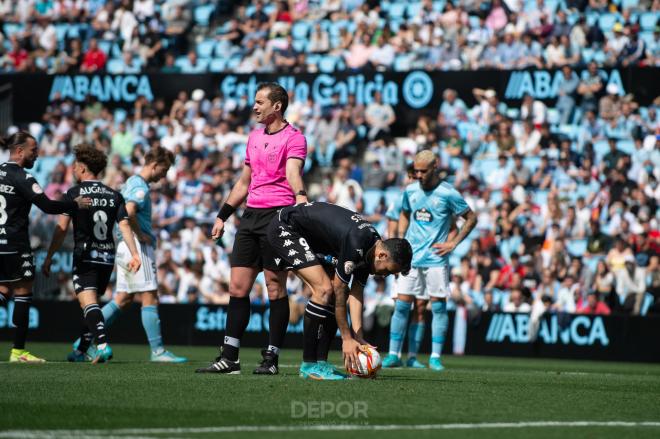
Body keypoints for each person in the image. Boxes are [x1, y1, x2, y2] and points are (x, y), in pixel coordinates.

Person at [196, 82, 307, 375]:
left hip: (278, 216)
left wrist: (301, 198)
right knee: (237, 287)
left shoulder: (295, 138)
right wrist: (223, 215)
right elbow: (244, 182)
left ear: (277, 106)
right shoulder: (254, 136)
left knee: (274, 287)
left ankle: (271, 358)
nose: (254, 106)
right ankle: (230, 357)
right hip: (250, 216)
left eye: (260, 102)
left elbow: (293, 172)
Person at [266, 201, 412, 380]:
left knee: (334, 295)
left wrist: (357, 337)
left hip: (311, 238)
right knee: (325, 290)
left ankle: (321, 363)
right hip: (285, 227)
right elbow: (341, 288)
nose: (386, 276)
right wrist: (346, 338)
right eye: (389, 271)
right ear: (382, 255)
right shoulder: (358, 241)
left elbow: (356, 293)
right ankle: (309, 364)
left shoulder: (372, 248)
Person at [83, 146, 187, 362]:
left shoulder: (131, 181)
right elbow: (129, 213)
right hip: (135, 247)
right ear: (154, 165)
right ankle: (158, 352)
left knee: (122, 299)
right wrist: (142, 235)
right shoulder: (141, 188)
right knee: (150, 296)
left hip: (123, 246)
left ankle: (82, 342)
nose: (164, 175)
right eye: (164, 170)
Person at [42, 144, 142, 363]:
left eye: (75, 167)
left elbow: (61, 230)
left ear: (83, 168)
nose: (74, 170)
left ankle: (103, 345)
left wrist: (49, 256)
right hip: (107, 258)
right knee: (90, 305)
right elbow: (124, 227)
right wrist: (135, 254)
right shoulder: (114, 195)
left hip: (85, 256)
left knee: (89, 305)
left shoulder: (74, 194)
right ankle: (81, 351)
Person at [0, 131, 91, 363]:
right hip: (14, 244)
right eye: (33, 150)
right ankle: (18, 352)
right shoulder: (23, 177)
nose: (37, 155)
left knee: (2, 290)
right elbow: (49, 207)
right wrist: (74, 203)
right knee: (22, 293)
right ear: (19, 151)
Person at [382, 150, 477, 371]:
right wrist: (401, 240)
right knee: (402, 305)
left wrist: (454, 243)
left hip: (436, 259)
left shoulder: (448, 193)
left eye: (423, 171)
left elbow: (471, 218)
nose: (418, 175)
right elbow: (404, 212)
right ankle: (394, 355)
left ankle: (434, 357)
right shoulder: (411, 190)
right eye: (415, 171)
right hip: (411, 259)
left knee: (437, 308)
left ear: (435, 168)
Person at [384, 163, 428, 368]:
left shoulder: (428, 199)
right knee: (401, 305)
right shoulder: (401, 200)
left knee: (420, 308)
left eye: (416, 178)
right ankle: (394, 354)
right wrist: (393, 261)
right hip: (404, 260)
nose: (413, 181)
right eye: (411, 177)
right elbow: (391, 228)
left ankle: (412, 356)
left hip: (426, 260)